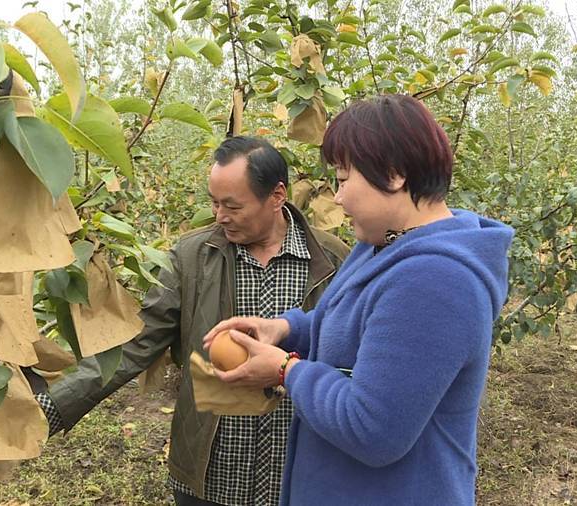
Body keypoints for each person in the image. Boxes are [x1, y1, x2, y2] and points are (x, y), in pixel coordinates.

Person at [203, 95, 514, 505]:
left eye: (345, 178)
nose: (337, 197)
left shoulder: (436, 280)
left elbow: (373, 428)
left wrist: (285, 371)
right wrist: (285, 328)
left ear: (395, 173)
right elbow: (353, 323)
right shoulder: (384, 244)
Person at [34, 136, 350, 506]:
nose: (219, 216)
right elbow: (136, 343)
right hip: (212, 474)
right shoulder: (192, 256)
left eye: (232, 205)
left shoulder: (332, 260)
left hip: (298, 474)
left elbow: (352, 356)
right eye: (214, 203)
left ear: (277, 196)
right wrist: (46, 409)